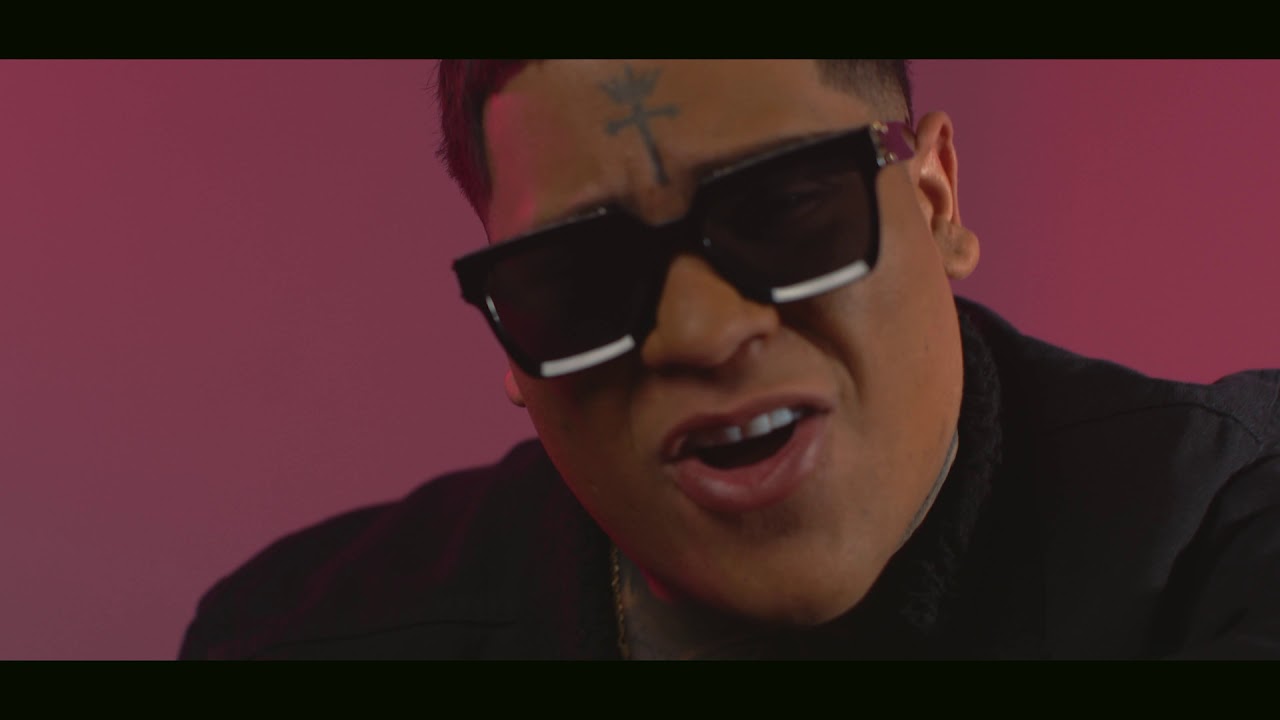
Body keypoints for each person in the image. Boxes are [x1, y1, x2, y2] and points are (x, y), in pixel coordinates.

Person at [179, 60, 1280, 659]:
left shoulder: (1230, 529)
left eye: (786, 210)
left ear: (936, 199)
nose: (700, 334)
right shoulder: (301, 639)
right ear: (510, 345)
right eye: (577, 276)